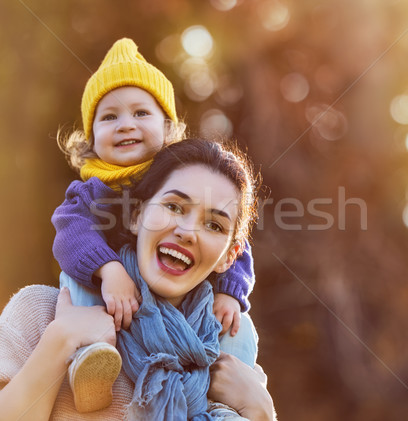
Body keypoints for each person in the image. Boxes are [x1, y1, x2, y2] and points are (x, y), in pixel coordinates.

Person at [0, 139, 275, 420]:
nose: (187, 232)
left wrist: (260, 411)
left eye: (214, 225)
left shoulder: (229, 347)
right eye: (174, 206)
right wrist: (58, 344)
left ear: (229, 258)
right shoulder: (42, 312)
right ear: (136, 216)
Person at [52, 39, 258, 410]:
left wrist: (230, 290)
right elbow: (71, 233)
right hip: (105, 289)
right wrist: (109, 269)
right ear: (91, 137)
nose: (125, 125)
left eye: (140, 113)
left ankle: (232, 395)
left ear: (167, 127)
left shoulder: (186, 173)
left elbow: (235, 241)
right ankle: (90, 363)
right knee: (75, 287)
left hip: (170, 300)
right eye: (109, 117)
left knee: (234, 323)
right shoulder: (92, 190)